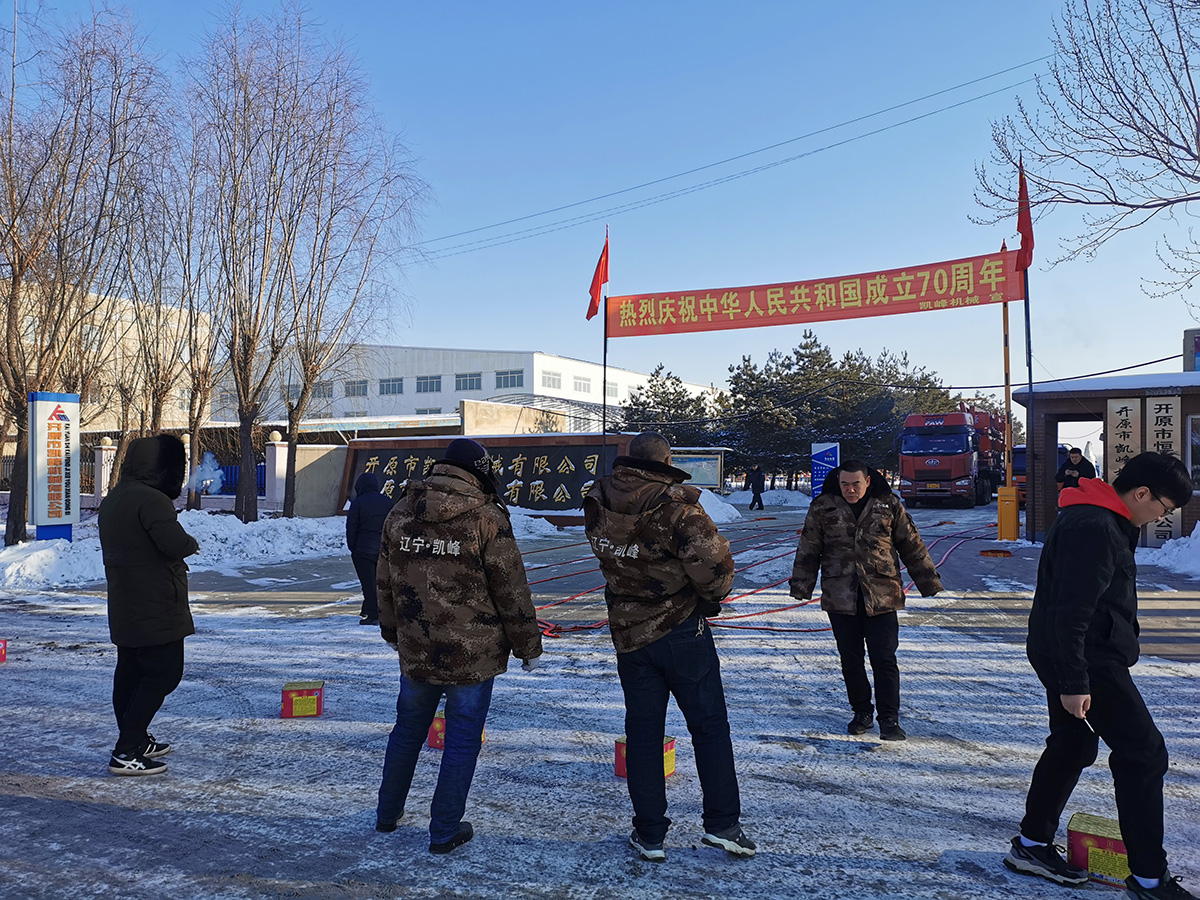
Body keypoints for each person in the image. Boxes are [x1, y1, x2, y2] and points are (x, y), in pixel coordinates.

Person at [1004, 452, 1196, 900]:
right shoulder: (1095, 527)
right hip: (1088, 658)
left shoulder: (1102, 518)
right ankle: (1150, 879)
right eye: (1164, 508)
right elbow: (1071, 611)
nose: (1160, 518)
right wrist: (1074, 682)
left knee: (1073, 743)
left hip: (1074, 652)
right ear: (1142, 493)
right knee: (1144, 754)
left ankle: (1032, 844)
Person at [583, 431, 755, 862]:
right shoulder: (678, 507)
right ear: (667, 460)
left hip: (628, 633)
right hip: (681, 630)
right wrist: (707, 595)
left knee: (643, 734)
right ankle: (722, 825)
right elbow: (716, 572)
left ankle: (650, 834)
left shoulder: (597, 500)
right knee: (709, 727)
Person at [374, 438, 543, 855]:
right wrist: (528, 645)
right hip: (473, 653)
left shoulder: (400, 512)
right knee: (462, 738)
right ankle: (444, 829)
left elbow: (384, 581)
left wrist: (392, 632)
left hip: (417, 648)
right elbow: (511, 590)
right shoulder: (487, 518)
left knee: (407, 730)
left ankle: (387, 813)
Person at [789, 460, 942, 741]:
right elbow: (808, 549)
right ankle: (861, 711)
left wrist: (928, 581)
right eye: (844, 484)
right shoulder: (823, 507)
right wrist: (801, 586)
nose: (850, 490)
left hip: (882, 595)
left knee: (884, 658)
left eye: (855, 484)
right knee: (851, 660)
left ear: (867, 481)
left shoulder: (888, 504)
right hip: (841, 596)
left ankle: (889, 718)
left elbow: (911, 543)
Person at [98, 434, 200, 777]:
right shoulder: (152, 500)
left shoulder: (115, 498)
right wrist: (191, 543)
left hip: (125, 600)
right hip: (156, 601)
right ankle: (127, 750)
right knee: (164, 671)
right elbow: (172, 543)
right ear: (163, 469)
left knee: (129, 672)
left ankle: (135, 738)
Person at [346, 471, 393, 625]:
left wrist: (353, 548)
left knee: (368, 583)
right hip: (383, 550)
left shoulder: (358, 503)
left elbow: (351, 528)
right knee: (382, 582)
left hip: (363, 550)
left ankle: (373, 615)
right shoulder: (388, 502)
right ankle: (371, 609)